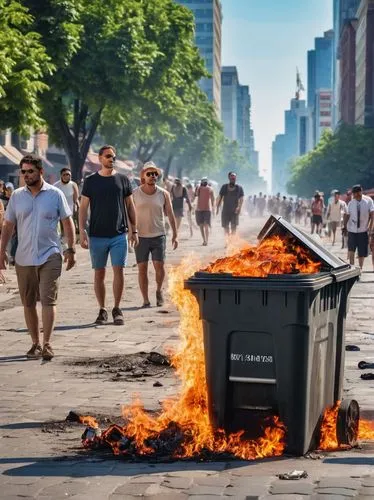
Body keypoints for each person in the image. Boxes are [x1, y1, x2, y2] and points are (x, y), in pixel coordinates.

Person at [0, 154, 76, 360]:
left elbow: (68, 223)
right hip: (23, 258)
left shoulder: (55, 194)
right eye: (23, 172)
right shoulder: (16, 196)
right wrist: (1, 252)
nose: (26, 175)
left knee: (48, 300)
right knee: (28, 303)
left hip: (50, 254)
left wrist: (71, 249)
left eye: (30, 171)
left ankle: (47, 344)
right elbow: (8, 225)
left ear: (41, 172)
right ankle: (34, 343)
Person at [79, 145, 138, 326]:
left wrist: (133, 230)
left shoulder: (122, 180)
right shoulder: (90, 181)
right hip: (97, 235)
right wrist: (82, 231)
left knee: (118, 270)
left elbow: (130, 206)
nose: (111, 159)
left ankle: (117, 308)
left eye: (113, 156)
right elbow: (83, 208)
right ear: (100, 158)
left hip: (119, 234)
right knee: (99, 273)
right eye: (108, 156)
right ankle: (102, 309)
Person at [133, 162, 178, 308]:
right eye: (149, 174)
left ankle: (159, 291)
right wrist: (131, 231)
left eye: (155, 174)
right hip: (141, 236)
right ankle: (145, 299)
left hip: (159, 235)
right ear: (143, 176)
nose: (152, 176)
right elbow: (129, 214)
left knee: (159, 266)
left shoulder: (164, 194)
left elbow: (170, 215)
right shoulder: (134, 193)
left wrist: (175, 235)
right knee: (142, 269)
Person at [343, 184, 374, 269]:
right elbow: (348, 215)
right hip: (352, 230)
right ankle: (352, 269)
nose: (356, 196)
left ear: (361, 192)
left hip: (363, 230)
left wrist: (370, 228)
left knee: (361, 252)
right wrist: (344, 226)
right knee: (351, 250)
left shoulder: (368, 201)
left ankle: (360, 268)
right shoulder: (351, 203)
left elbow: (372, 215)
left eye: (357, 193)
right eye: (354, 194)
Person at [195, 177, 215, 246]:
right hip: (199, 209)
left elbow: (212, 198)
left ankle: (206, 240)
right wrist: (199, 187)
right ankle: (204, 239)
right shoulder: (199, 188)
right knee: (201, 225)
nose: (204, 183)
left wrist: (213, 207)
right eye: (203, 182)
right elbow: (196, 194)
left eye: (205, 182)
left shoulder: (210, 189)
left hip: (207, 209)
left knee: (206, 225)